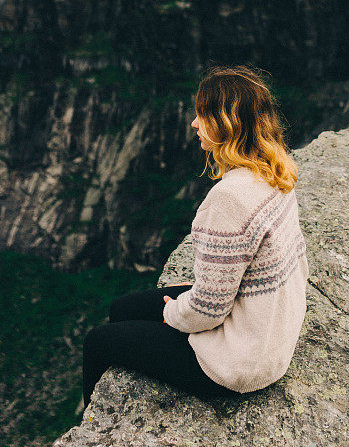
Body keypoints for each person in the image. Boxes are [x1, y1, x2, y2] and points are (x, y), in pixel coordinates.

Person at [82, 64, 309, 409]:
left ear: (227, 124)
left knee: (97, 342)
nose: (194, 123)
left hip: (238, 364)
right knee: (122, 308)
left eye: (202, 115)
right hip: (269, 338)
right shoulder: (277, 171)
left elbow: (208, 310)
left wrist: (172, 313)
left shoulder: (229, 200)